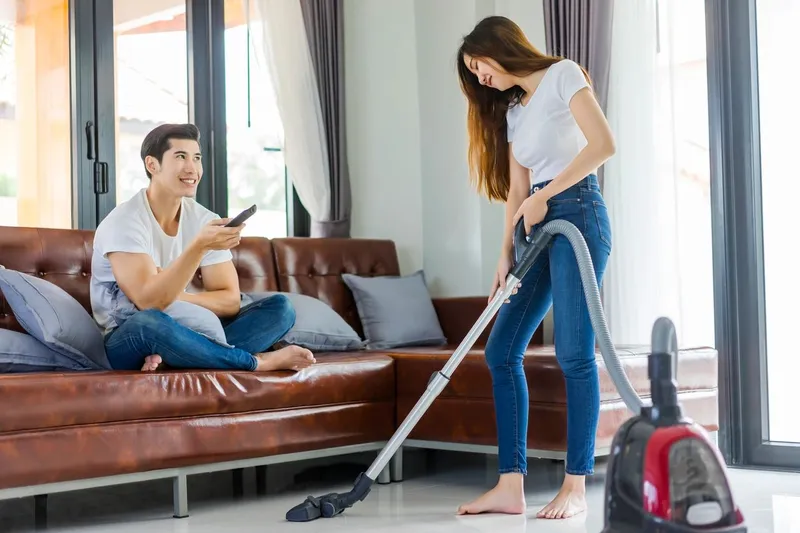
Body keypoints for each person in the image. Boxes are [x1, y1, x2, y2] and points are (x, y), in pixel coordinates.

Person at [455, 17, 615, 520]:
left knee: (573, 352)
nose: (479, 78)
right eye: (472, 73)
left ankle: (575, 485)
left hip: (578, 217)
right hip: (535, 228)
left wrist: (549, 195)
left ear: (498, 47)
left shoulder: (565, 74)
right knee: (501, 350)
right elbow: (517, 192)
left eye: (478, 66)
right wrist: (504, 254)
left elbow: (603, 145)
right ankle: (510, 484)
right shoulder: (514, 112)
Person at [90, 123, 315, 373]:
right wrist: (199, 245)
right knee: (151, 324)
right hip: (127, 337)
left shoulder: (201, 218)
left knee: (280, 309)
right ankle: (254, 361)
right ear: (152, 165)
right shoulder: (125, 221)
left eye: (197, 158)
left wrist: (177, 295)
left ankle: (185, 355)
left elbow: (230, 301)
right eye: (180, 157)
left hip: (188, 327)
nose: (192, 168)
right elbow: (149, 303)